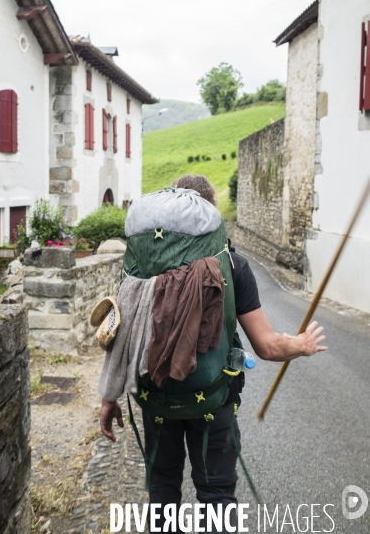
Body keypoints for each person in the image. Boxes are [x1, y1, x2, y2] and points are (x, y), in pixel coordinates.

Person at [99, 174, 327, 533]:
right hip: (213, 400)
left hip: (155, 397)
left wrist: (109, 398)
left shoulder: (143, 263)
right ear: (211, 214)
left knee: (162, 490)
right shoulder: (232, 264)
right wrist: (300, 345)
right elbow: (267, 347)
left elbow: (123, 334)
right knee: (217, 494)